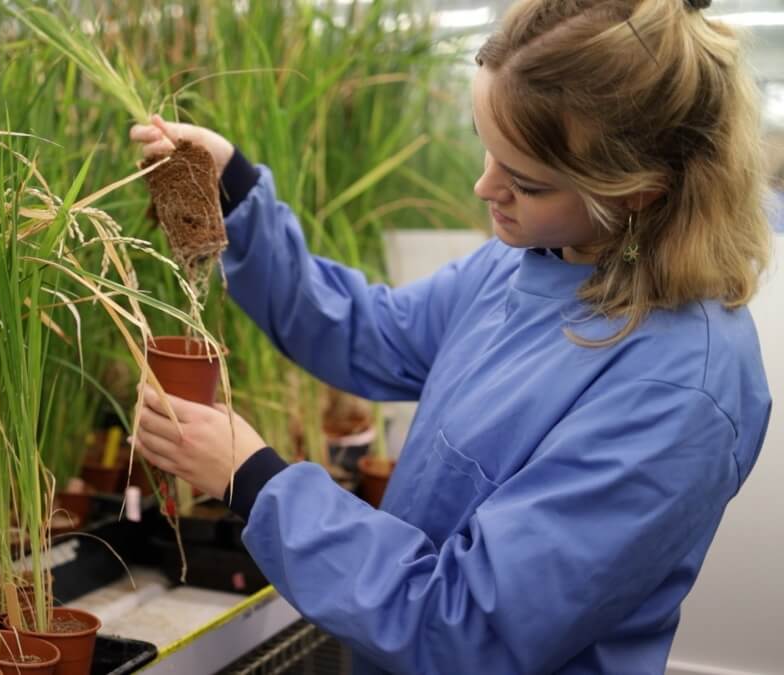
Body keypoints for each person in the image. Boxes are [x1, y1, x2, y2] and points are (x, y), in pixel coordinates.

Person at [127, 0, 773, 672]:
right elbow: (366, 333)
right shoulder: (538, 258)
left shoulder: (680, 390)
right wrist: (234, 185)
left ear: (636, 191)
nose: (484, 186)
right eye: (487, 148)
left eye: (524, 180)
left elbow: (467, 625)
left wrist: (257, 481)